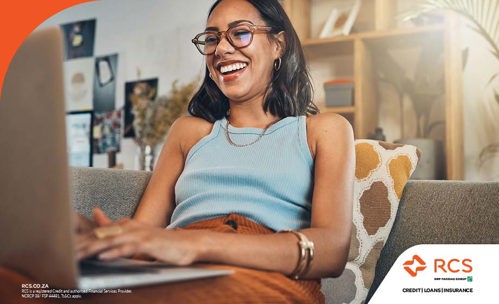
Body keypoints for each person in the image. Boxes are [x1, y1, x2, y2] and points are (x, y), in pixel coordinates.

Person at [77, 0, 355, 302]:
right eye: (212, 39)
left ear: (278, 44)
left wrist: (198, 245)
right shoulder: (188, 132)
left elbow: (331, 251)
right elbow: (143, 237)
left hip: (266, 276)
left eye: (240, 33)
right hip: (173, 269)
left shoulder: (324, 131)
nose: (221, 49)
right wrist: (90, 234)